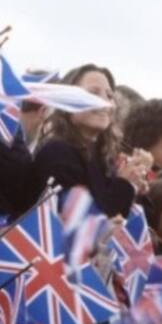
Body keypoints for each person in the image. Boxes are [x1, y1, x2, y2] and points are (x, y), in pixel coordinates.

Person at [34, 64, 150, 216]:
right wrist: (125, 184)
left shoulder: (102, 159)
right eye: (93, 93)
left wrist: (135, 187)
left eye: (109, 96)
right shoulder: (57, 152)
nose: (104, 102)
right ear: (67, 101)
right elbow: (83, 224)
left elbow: (116, 218)